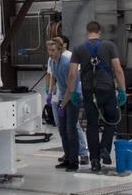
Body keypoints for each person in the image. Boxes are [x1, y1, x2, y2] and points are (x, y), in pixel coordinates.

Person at [68, 21, 126, 173]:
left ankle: (94, 160)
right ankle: (105, 149)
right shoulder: (109, 46)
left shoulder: (78, 49)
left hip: (89, 92)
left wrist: (73, 92)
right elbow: (118, 70)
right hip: (107, 90)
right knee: (111, 120)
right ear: (99, 32)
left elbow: (72, 73)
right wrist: (122, 90)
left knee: (92, 126)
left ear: (87, 32)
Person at [45, 38, 80, 171]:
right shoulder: (53, 61)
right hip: (62, 96)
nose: (51, 53)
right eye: (49, 50)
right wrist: (50, 92)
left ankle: (74, 161)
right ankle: (67, 158)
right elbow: (53, 76)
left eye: (53, 50)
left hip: (73, 96)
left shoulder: (66, 63)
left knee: (71, 129)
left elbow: (71, 88)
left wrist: (62, 105)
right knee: (62, 130)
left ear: (60, 50)